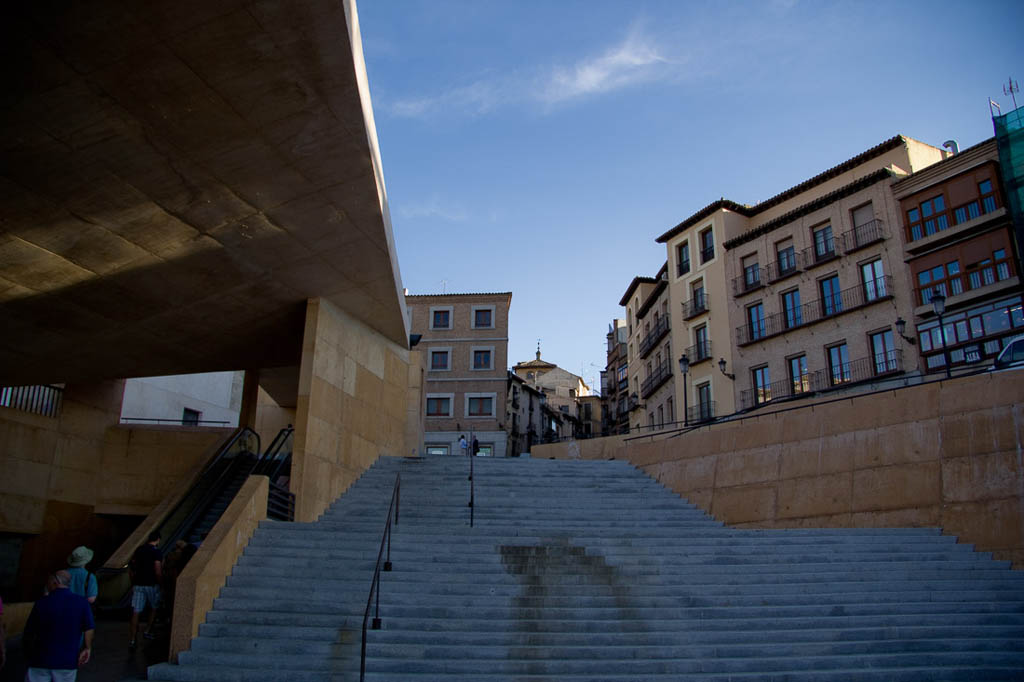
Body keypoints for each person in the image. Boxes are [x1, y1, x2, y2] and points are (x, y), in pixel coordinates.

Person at [22, 570, 94, 682]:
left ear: (55, 582)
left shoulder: (41, 603)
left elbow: (29, 632)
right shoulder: (82, 603)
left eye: (49, 581)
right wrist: (87, 647)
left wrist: (28, 654)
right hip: (67, 661)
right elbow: (89, 628)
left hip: (40, 660)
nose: (47, 583)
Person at [128, 531, 162, 647]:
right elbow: (157, 570)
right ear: (158, 540)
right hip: (151, 584)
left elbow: (131, 566)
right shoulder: (156, 552)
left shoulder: (139, 550)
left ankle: (132, 639)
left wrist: (133, 582)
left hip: (138, 584)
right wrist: (160, 582)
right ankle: (147, 630)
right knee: (154, 607)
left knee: (136, 611)